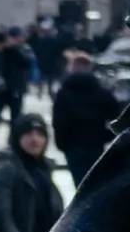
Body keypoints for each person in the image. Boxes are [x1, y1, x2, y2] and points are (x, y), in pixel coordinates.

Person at [47, 47, 120, 186]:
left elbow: (58, 121)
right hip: (96, 144)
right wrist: (106, 135)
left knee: (79, 185)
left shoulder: (64, 93)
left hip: (72, 146)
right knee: (95, 184)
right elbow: (117, 115)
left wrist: (61, 143)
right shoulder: (101, 92)